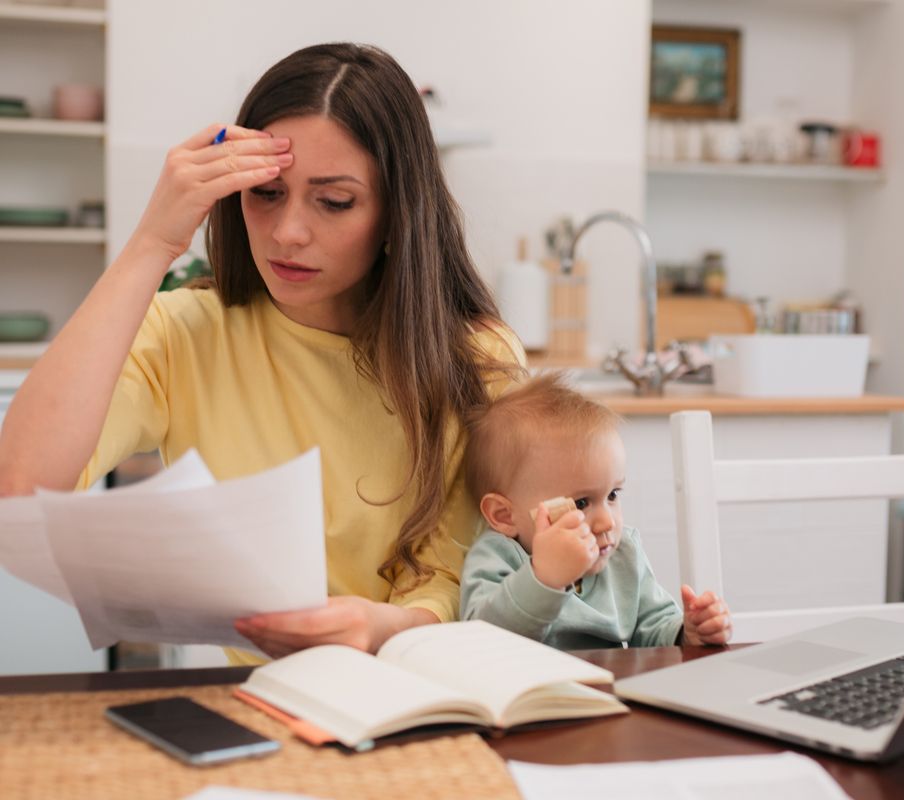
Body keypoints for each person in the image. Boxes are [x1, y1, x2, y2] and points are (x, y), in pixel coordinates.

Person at [0, 43, 524, 662]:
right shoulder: (185, 333)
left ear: (397, 216)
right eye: (266, 193)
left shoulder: (477, 358)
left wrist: (383, 628)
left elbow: (477, 579)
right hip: (260, 698)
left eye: (335, 202)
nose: (287, 233)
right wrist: (151, 243)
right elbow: (22, 490)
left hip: (434, 687)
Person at [459, 373, 732, 649]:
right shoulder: (495, 557)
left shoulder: (623, 553)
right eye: (581, 503)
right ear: (504, 515)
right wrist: (544, 578)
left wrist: (687, 633)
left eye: (613, 495)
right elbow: (481, 640)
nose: (606, 522)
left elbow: (655, 625)